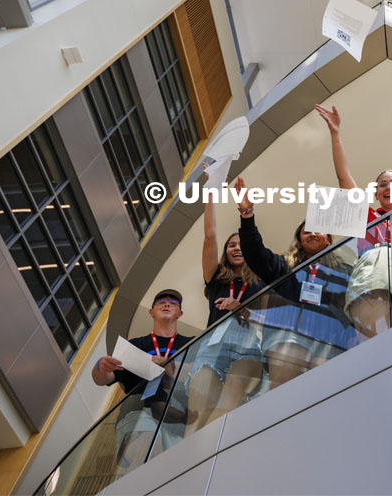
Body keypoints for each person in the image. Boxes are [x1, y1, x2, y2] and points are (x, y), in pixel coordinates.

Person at [315, 104, 392, 338]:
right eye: (382, 185)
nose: (388, 187)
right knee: (375, 342)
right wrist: (335, 133)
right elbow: (343, 177)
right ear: (376, 194)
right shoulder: (368, 217)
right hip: (371, 279)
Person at [236, 177, 357, 388]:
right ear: (299, 238)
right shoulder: (284, 266)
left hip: (330, 338)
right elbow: (255, 254)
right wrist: (247, 215)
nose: (311, 234)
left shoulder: (346, 271)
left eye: (317, 230)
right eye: (306, 231)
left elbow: (355, 304)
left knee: (326, 392)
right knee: (284, 390)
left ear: (328, 238)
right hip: (288, 335)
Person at [185, 191, 265, 434]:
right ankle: (187, 465)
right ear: (226, 251)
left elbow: (272, 319)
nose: (237, 248)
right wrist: (210, 196)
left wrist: (240, 308)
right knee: (196, 417)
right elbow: (209, 237)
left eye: (242, 245)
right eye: (232, 245)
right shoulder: (216, 279)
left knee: (226, 407)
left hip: (248, 345)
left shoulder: (262, 281)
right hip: (212, 346)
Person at [91, 290, 193, 468]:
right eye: (161, 301)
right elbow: (103, 379)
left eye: (173, 303)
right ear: (151, 312)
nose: (167, 304)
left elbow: (199, 372)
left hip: (180, 417)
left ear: (180, 314)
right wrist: (100, 366)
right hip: (139, 412)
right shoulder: (135, 345)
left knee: (174, 470)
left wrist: (165, 363)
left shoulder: (192, 343)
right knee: (147, 456)